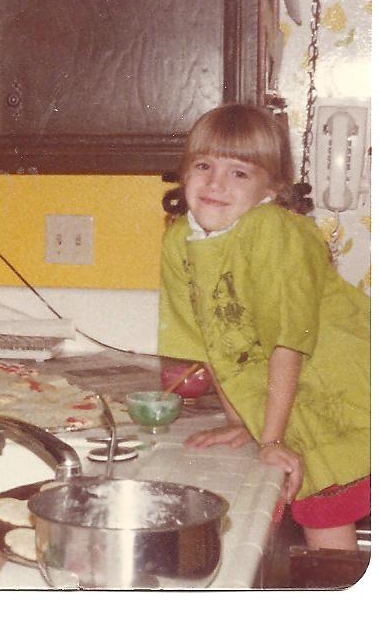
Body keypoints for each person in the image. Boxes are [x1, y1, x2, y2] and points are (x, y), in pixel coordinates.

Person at [157, 103, 370, 551]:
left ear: (270, 190)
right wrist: (244, 421)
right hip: (299, 395)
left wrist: (270, 436)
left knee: (324, 498)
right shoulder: (180, 241)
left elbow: (288, 344)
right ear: (185, 172)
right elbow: (210, 343)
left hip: (348, 385)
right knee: (316, 495)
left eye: (239, 173)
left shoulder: (274, 231)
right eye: (204, 165)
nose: (215, 183)